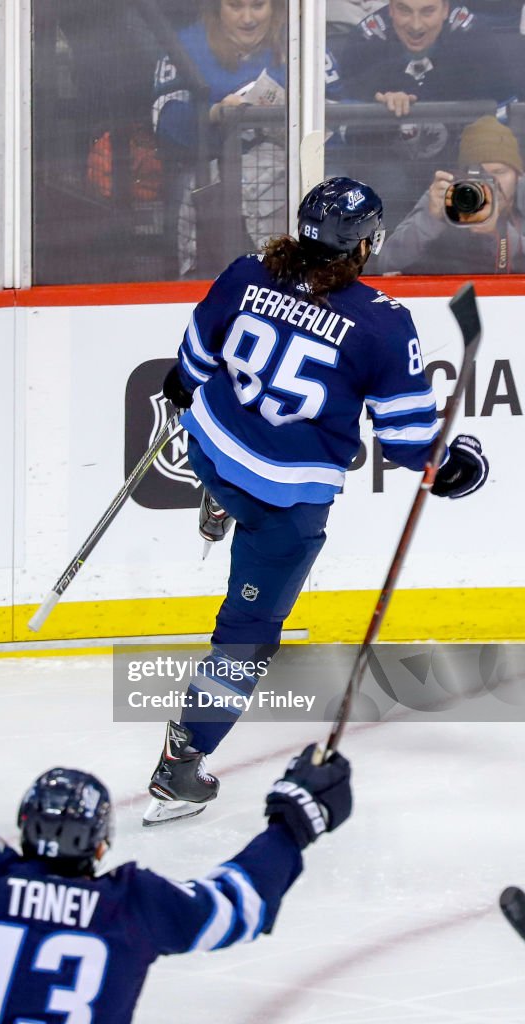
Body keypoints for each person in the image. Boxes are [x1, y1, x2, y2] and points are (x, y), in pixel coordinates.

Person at [142, 176, 489, 826]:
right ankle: (179, 762)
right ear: (363, 246)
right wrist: (455, 466)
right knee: (245, 640)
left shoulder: (248, 272)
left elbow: (191, 359)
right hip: (284, 507)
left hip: (210, 450)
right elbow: (413, 444)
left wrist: (182, 386)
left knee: (222, 466)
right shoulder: (382, 325)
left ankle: (220, 501)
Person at [0, 618, 352, 1022]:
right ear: (102, 846)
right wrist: (292, 827)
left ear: (22, 827)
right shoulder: (131, 910)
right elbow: (236, 904)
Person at [153, 0, 287, 276]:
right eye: (235, 7)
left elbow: (336, 108)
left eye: (258, 6)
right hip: (208, 164)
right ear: (217, 8)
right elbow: (164, 120)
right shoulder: (186, 45)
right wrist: (214, 113)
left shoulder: (299, 38)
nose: (248, 18)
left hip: (288, 164)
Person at [377, 115, 525, 273]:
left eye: (499, 172)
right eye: (480, 174)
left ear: (519, 174)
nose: (492, 182)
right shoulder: (448, 195)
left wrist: (499, 233)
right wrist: (430, 219)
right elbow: (388, 263)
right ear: (463, 175)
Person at [329, 1, 518, 113]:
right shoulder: (366, 42)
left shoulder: (474, 39)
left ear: (445, 9)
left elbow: (505, 113)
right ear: (391, 8)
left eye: (428, 11)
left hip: (460, 152)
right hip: (388, 155)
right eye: (404, 10)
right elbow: (343, 127)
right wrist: (381, 110)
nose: (416, 26)